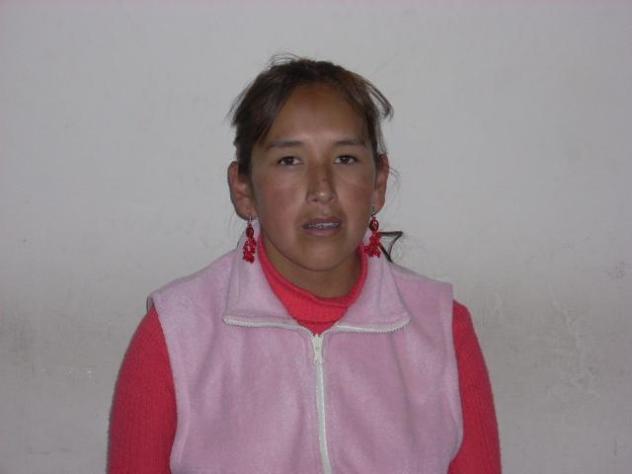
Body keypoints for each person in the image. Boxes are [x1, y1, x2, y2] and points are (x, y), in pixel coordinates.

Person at [108, 56, 500, 473]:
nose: (322, 189)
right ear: (244, 189)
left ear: (378, 183)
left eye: (345, 158)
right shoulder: (176, 335)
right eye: (289, 161)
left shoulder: (442, 329)